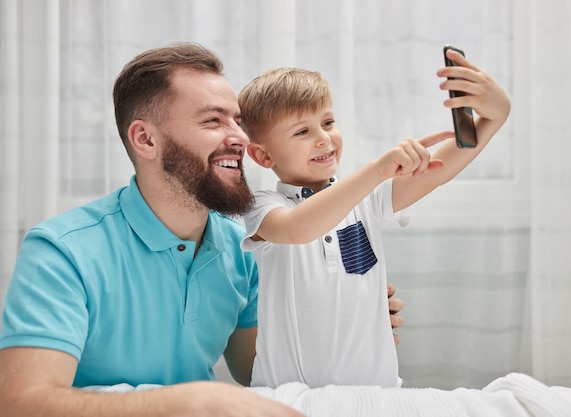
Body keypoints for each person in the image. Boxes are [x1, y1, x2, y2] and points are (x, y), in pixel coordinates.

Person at [0, 42, 405, 417]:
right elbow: (21, 402)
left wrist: (339, 314)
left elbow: (259, 369)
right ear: (146, 139)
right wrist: (187, 401)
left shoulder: (238, 246)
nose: (242, 139)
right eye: (214, 120)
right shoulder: (61, 252)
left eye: (239, 122)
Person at [237, 49, 510, 388]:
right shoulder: (263, 205)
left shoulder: (369, 198)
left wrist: (495, 116)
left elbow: (439, 171)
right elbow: (297, 229)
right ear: (263, 155)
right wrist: (378, 170)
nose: (323, 137)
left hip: (375, 392)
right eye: (302, 132)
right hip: (288, 394)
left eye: (327, 122)